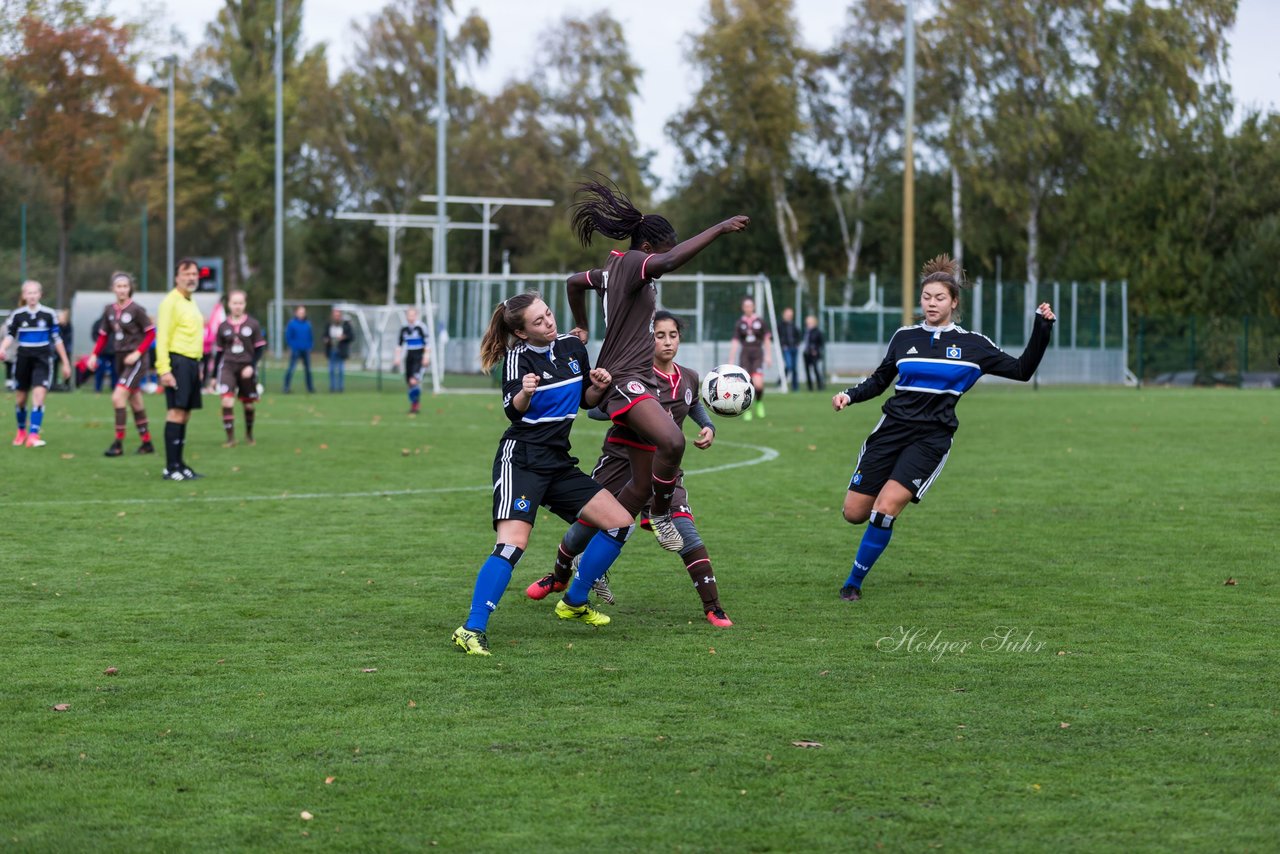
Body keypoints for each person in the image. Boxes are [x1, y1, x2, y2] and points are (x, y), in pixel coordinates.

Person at [831, 255, 1056, 601]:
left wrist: (1042, 329)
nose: (931, 303)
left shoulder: (973, 346)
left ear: (953, 302)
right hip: (890, 431)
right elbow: (879, 381)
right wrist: (849, 395)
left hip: (930, 439)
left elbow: (1022, 369)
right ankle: (879, 512)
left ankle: (853, 584)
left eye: (939, 298)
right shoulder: (904, 337)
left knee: (886, 507)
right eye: (926, 297)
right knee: (854, 513)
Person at [566, 178, 749, 554]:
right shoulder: (635, 263)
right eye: (663, 253)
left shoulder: (610, 270)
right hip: (624, 381)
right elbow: (666, 261)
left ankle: (584, 569)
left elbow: (573, 282)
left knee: (638, 487)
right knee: (672, 441)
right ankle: (661, 514)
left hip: (638, 382)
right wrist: (719, 227)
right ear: (647, 248)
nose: (667, 263)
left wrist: (582, 323)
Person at [452, 292, 634, 657]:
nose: (549, 322)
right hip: (521, 461)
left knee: (619, 522)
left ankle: (574, 600)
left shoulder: (572, 347)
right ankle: (471, 629)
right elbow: (513, 412)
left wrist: (597, 384)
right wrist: (525, 392)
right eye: (538, 322)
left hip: (558, 462)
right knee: (512, 545)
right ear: (521, 333)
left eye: (548, 314)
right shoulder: (517, 358)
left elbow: (586, 401)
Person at [527, 311, 733, 626]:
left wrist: (708, 427)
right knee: (586, 527)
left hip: (664, 469)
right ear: (646, 339)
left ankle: (713, 606)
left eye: (672, 335)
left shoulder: (689, 376)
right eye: (659, 335)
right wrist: (621, 400)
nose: (666, 342)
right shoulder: (629, 375)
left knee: (685, 532)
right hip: (619, 463)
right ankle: (559, 577)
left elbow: (692, 404)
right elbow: (595, 411)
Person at [86, 272, 156, 456]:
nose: (122, 289)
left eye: (125, 286)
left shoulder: (137, 309)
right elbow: (103, 335)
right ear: (113, 289)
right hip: (119, 359)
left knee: (118, 397)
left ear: (130, 288)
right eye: (119, 286)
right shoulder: (109, 310)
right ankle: (147, 443)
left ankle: (118, 444)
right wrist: (94, 355)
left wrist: (137, 353)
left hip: (136, 360)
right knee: (136, 401)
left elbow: (150, 333)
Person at [0, 280, 71, 448]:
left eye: (35, 292)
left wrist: (66, 363)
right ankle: (21, 431)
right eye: (28, 293)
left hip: (43, 359)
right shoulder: (18, 315)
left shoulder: (48, 314)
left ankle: (33, 434)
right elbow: (10, 335)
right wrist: (2, 348)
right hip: (23, 358)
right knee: (21, 399)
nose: (31, 296)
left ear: (40, 294)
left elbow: (57, 339)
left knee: (38, 397)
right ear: (24, 295)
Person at [156, 258, 206, 480]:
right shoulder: (171, 302)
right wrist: (164, 370)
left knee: (185, 414)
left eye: (194, 274)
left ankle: (180, 463)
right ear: (177, 277)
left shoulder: (190, 301)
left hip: (192, 363)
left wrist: (199, 363)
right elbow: (162, 337)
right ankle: (170, 467)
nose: (191, 277)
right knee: (175, 412)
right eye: (186, 274)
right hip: (178, 362)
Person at [214, 290, 266, 447]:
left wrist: (251, 366)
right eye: (234, 303)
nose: (237, 306)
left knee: (248, 404)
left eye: (240, 303)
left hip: (246, 368)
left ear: (245, 304)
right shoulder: (223, 326)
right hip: (228, 367)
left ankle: (249, 435)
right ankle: (230, 439)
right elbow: (219, 352)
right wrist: (211, 376)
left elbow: (260, 349)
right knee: (227, 402)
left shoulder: (253, 324)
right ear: (229, 304)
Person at [728, 296, 771, 421]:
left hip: (757, 353)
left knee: (758, 384)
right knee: (745, 384)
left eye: (750, 306)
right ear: (743, 308)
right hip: (745, 354)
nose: (748, 308)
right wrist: (731, 358)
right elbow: (735, 341)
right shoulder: (739, 323)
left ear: (754, 307)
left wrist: (768, 355)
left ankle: (759, 403)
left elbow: (767, 339)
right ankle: (747, 409)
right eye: (746, 306)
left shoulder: (760, 321)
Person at [393, 307, 430, 414]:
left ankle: (415, 406)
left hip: (419, 356)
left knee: (413, 381)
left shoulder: (421, 327)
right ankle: (414, 404)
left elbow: (427, 344)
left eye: (413, 315)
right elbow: (399, 345)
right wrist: (397, 358)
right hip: (409, 356)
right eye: (409, 315)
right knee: (410, 383)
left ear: (416, 315)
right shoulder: (404, 328)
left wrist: (426, 357)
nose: (411, 317)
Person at [283, 305, 314, 393]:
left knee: (308, 370)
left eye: (303, 312)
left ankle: (310, 388)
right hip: (296, 350)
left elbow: (310, 337)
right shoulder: (292, 324)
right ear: (296, 313)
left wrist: (310, 346)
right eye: (300, 312)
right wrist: (293, 346)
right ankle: (286, 387)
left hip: (306, 350)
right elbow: (288, 337)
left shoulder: (308, 324)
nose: (301, 314)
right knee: (291, 369)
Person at [324, 309, 353, 392]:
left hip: (341, 350)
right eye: (335, 315)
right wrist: (326, 340)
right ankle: (332, 388)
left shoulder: (345, 325)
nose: (336, 317)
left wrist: (344, 337)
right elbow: (324, 335)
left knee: (340, 370)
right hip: (332, 349)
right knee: (331, 370)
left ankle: (340, 388)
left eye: (338, 315)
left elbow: (351, 336)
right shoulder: (329, 325)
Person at [89, 312, 118, 392]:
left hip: (114, 352)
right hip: (102, 352)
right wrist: (100, 345)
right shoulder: (98, 323)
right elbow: (94, 335)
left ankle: (114, 389)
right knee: (100, 370)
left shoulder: (117, 323)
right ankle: (97, 389)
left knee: (115, 371)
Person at [777, 306, 801, 391]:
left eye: (790, 314)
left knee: (794, 368)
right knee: (789, 365)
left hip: (794, 348)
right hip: (786, 348)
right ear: (784, 315)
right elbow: (777, 337)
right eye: (787, 314)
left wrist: (797, 344)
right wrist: (783, 345)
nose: (789, 316)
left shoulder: (793, 325)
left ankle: (795, 387)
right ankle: (780, 381)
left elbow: (798, 335)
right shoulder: (780, 325)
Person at [803, 314, 826, 391]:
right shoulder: (806, 331)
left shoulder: (818, 332)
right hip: (807, 353)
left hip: (814, 354)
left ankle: (820, 386)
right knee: (807, 370)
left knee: (816, 369)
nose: (808, 324)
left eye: (810, 322)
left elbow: (821, 343)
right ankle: (810, 387)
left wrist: (815, 350)